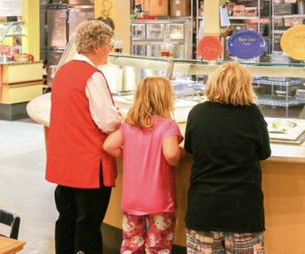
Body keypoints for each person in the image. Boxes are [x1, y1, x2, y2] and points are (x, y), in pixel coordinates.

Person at [46, 20, 121, 254]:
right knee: (87, 224)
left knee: (66, 218)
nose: (110, 48)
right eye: (109, 44)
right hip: (89, 164)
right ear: (97, 46)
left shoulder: (63, 71)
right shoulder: (92, 76)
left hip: (64, 161)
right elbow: (107, 121)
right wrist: (120, 117)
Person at [184, 62, 271, 254]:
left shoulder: (198, 113)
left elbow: (189, 148)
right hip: (243, 211)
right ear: (245, 86)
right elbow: (264, 153)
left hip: (203, 208)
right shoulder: (253, 115)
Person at [103, 76, 183, 254]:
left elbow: (108, 145)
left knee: (131, 245)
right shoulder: (168, 126)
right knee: (158, 247)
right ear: (165, 98)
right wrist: (180, 154)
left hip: (132, 200)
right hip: (159, 201)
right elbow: (171, 155)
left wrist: (129, 154)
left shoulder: (129, 125)